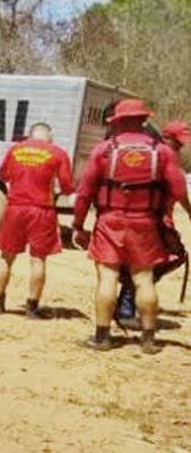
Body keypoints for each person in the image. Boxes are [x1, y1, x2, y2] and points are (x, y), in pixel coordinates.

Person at [72, 99, 189, 354]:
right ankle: (148, 340)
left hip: (110, 222)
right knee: (144, 278)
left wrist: (78, 225)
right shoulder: (163, 152)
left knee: (108, 277)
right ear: (143, 120)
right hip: (145, 222)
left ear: (118, 122)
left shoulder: (103, 150)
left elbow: (84, 193)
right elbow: (179, 190)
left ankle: (102, 337)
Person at [113, 119, 191, 328]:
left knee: (155, 263)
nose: (180, 147)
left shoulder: (158, 157)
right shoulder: (161, 158)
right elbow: (178, 191)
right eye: (178, 142)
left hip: (154, 218)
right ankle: (126, 306)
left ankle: (129, 300)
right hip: (155, 220)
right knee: (154, 263)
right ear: (166, 138)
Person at [0, 122, 75, 318]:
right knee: (38, 259)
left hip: (15, 208)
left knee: (6, 256)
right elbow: (66, 186)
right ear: (49, 136)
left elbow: (3, 174)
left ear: (30, 135)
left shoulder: (15, 150)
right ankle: (31, 307)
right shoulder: (58, 153)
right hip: (41, 210)